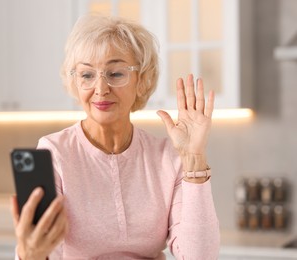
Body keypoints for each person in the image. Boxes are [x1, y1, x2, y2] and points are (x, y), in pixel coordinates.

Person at [11, 15, 220, 259]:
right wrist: (28, 253)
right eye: (87, 75)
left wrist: (194, 157)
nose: (100, 89)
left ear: (141, 80)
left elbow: (200, 256)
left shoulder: (167, 157)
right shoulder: (53, 153)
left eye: (116, 73)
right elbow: (41, 251)